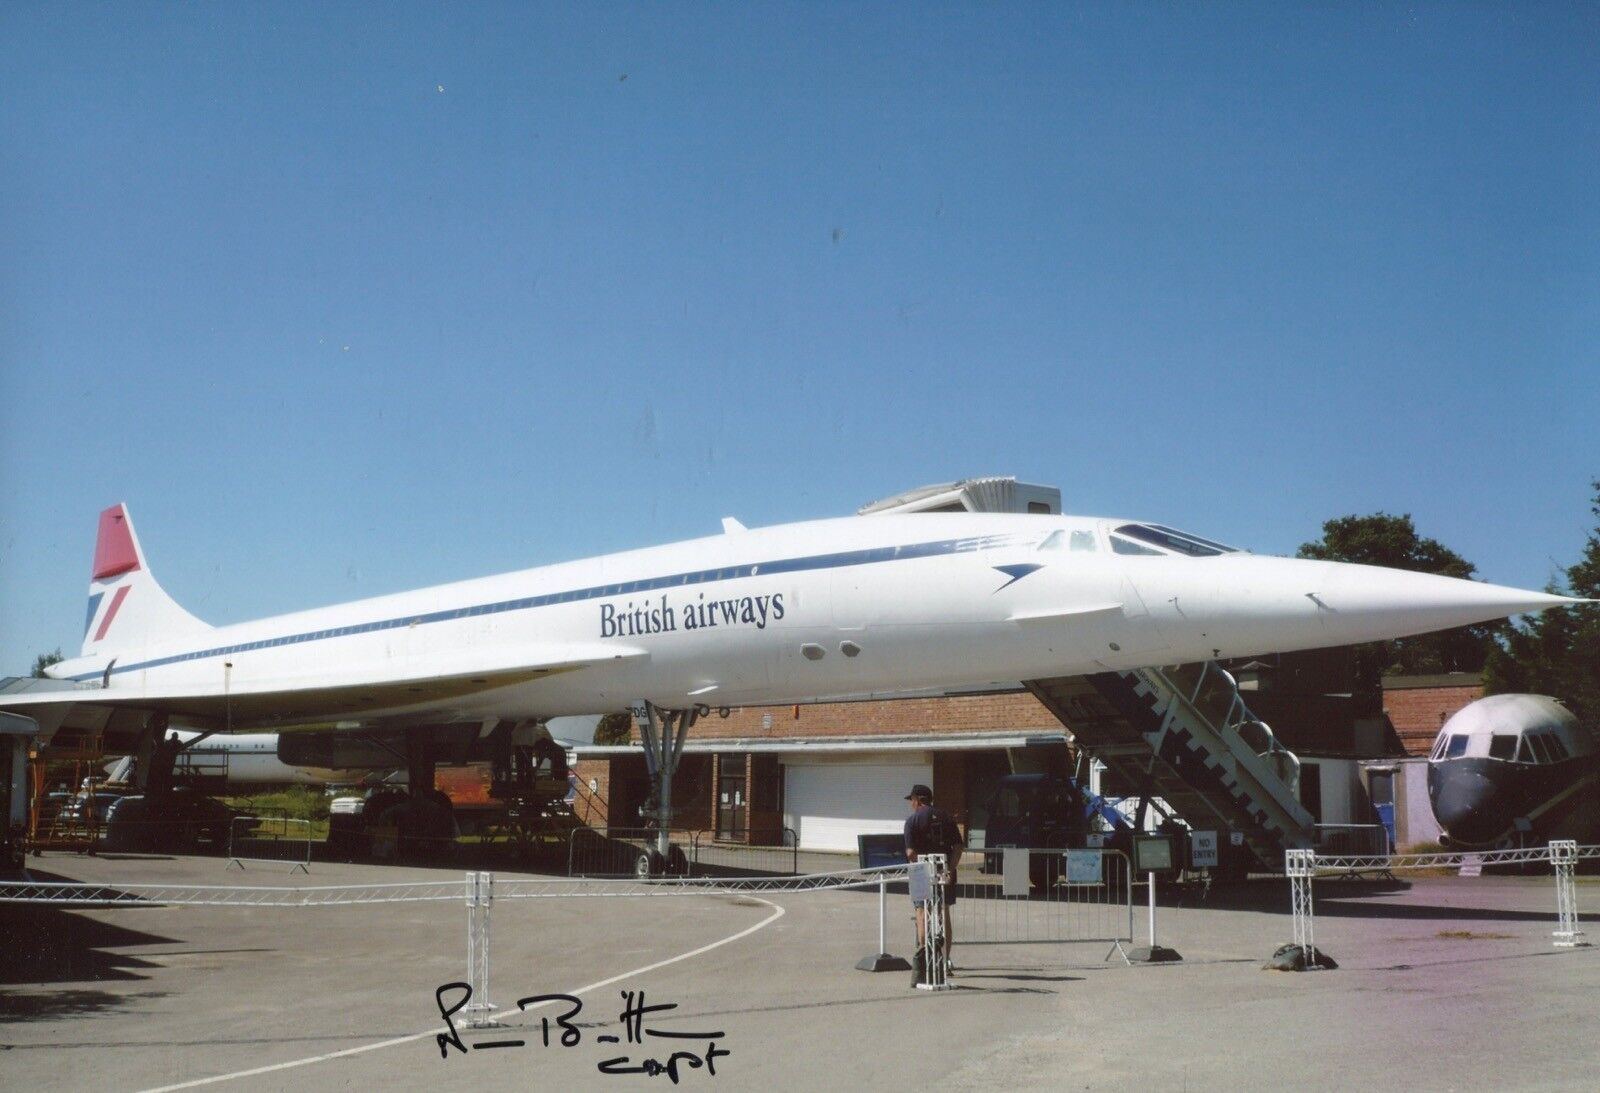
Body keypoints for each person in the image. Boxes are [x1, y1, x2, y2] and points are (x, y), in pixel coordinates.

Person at [903, 783, 962, 985]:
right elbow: (958, 846)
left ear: (918, 800)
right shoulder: (946, 817)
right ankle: (944, 961)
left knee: (922, 913)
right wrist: (950, 868)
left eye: (912, 800)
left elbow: (910, 852)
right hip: (945, 870)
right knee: (943, 912)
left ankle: (925, 961)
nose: (911, 803)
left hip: (921, 871)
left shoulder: (912, 820)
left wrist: (921, 864)